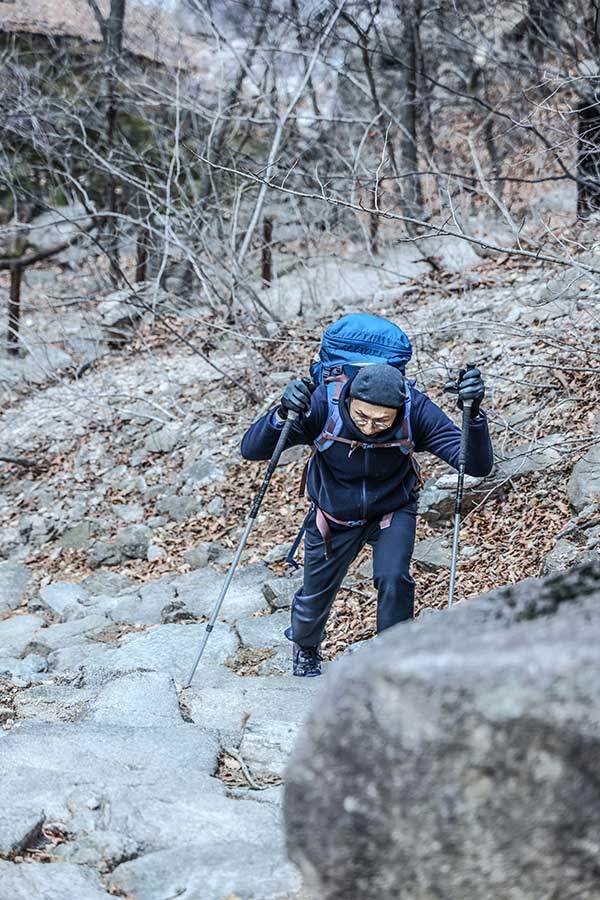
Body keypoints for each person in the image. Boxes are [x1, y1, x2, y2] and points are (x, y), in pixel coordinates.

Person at [241, 355, 493, 677]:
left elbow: (475, 465)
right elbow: (252, 449)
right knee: (316, 593)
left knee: (394, 578)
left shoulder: (415, 410)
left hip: (392, 509)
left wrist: (473, 417)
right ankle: (306, 646)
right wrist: (280, 414)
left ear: (399, 410)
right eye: (362, 417)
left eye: (382, 421)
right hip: (333, 516)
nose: (370, 427)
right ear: (348, 398)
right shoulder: (323, 404)